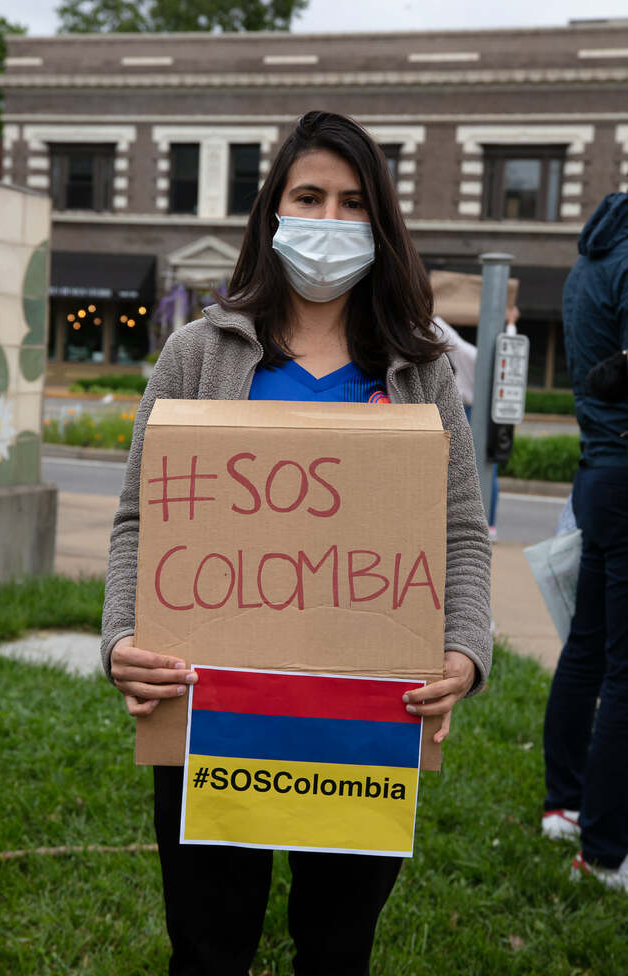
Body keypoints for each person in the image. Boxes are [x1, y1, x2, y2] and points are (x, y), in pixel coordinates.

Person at [101, 111, 492, 974]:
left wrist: (463, 654)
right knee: (207, 947)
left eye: (353, 203)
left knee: (336, 946)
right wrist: (123, 640)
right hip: (211, 710)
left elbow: (458, 530)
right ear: (271, 211)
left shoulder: (419, 366)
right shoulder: (195, 353)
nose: (328, 220)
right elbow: (140, 517)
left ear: (381, 222)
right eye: (307, 196)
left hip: (366, 718)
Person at [541, 192, 628, 893]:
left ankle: (564, 809)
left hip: (599, 470)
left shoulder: (591, 256)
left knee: (588, 651)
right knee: (622, 670)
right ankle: (603, 855)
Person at [433, 306, 520, 538]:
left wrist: (433, 315)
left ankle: (468, 525)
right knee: (487, 470)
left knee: (461, 471)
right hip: (489, 415)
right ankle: (489, 525)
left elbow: (447, 336)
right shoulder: (491, 358)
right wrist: (511, 323)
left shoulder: (467, 354)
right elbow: (510, 349)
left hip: (468, 413)